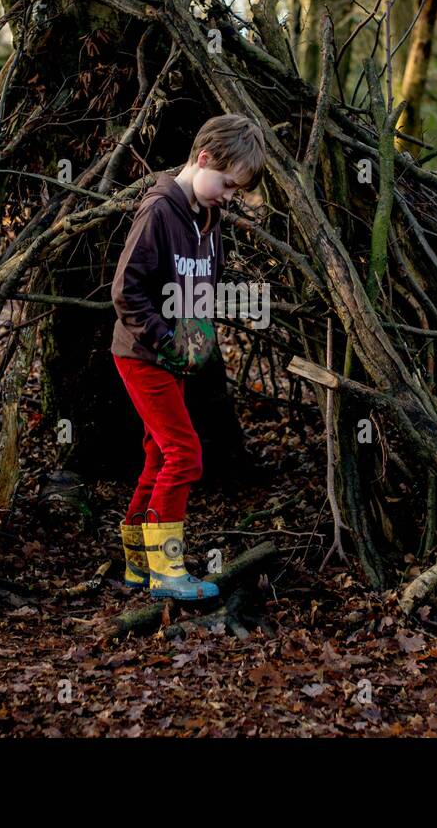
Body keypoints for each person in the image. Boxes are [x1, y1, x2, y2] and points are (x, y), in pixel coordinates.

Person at [109, 114, 266, 600]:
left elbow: (204, 286)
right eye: (226, 184)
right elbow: (125, 290)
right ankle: (167, 571)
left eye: (237, 192)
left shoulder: (208, 219)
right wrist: (164, 340)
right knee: (184, 454)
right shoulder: (158, 212)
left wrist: (198, 339)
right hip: (141, 355)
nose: (228, 196)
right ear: (202, 159)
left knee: (159, 452)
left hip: (172, 359)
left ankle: (138, 563)